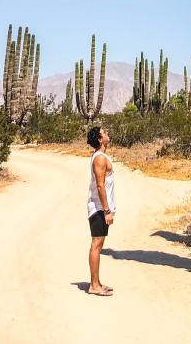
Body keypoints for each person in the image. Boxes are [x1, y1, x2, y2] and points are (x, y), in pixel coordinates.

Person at [86, 125, 115, 296]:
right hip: (98, 209)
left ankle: (97, 282)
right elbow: (100, 185)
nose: (107, 133)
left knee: (99, 243)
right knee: (96, 244)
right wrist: (106, 210)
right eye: (105, 132)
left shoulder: (101, 156)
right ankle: (94, 286)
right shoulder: (100, 159)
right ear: (99, 139)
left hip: (100, 208)